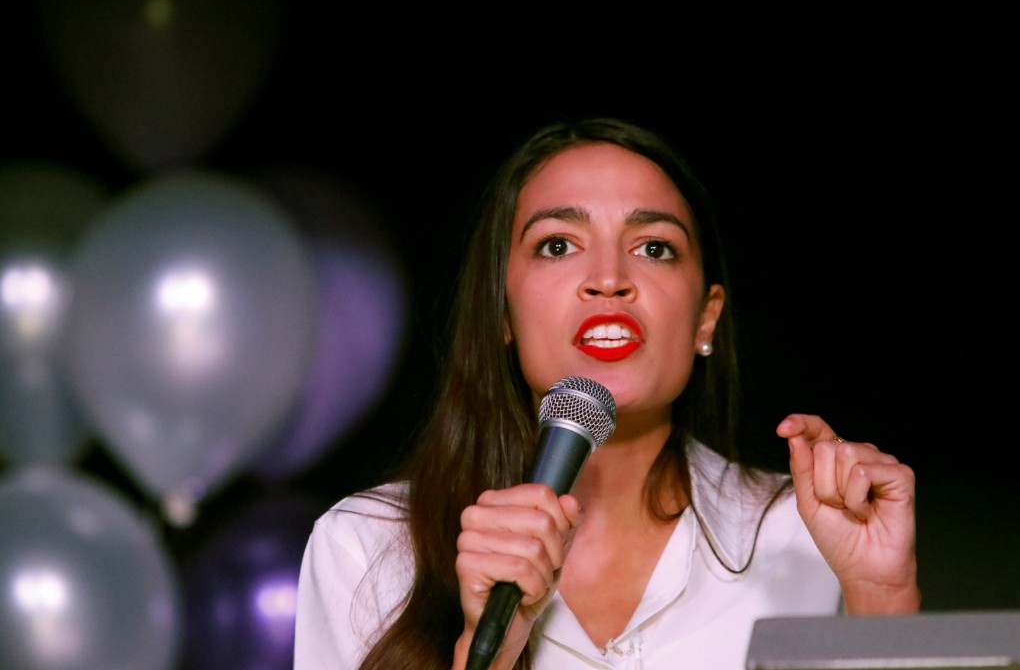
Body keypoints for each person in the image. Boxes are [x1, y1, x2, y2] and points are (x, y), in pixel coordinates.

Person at [293, 116, 920, 670]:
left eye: (654, 248)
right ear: (503, 312)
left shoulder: (803, 536)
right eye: (558, 245)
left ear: (706, 318)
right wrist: (489, 650)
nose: (610, 279)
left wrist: (881, 596)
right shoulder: (367, 546)